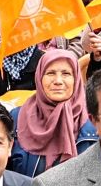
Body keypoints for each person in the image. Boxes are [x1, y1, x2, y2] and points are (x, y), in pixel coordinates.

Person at [7, 46, 95, 178]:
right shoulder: (16, 117)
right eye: (50, 73)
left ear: (76, 79)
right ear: (39, 77)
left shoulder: (94, 117)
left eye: (66, 74)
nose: (58, 81)